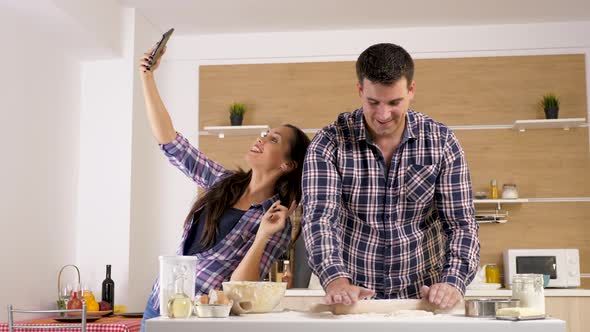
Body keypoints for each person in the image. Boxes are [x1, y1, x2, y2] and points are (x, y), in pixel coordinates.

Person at [138, 46, 310, 331]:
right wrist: (146, 77)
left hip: (203, 319)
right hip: (161, 304)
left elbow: (239, 288)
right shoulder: (223, 182)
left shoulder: (275, 221)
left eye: (273, 140)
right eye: (264, 134)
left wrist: (262, 236)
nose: (262, 139)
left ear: (288, 165)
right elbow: (170, 142)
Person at [301, 43, 480, 310]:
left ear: (411, 91)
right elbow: (320, 219)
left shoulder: (442, 142)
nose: (383, 115)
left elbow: (461, 224)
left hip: (423, 299)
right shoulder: (330, 143)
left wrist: (453, 282)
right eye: (373, 102)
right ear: (360, 91)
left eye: (394, 102)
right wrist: (336, 279)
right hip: (354, 299)